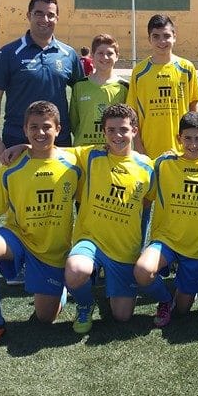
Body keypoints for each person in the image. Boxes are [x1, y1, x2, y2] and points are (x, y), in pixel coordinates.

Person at [0, 101, 81, 350]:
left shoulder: (75, 161)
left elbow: (108, 148)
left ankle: (58, 289)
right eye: (34, 127)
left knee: (44, 319)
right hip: (17, 237)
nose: (40, 133)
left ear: (58, 129)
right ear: (25, 129)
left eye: (46, 127)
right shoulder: (12, 166)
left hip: (52, 251)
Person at [64, 104, 154, 333]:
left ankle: (110, 279)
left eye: (123, 129)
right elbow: (51, 151)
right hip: (91, 239)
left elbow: (146, 203)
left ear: (134, 130)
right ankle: (85, 304)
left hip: (123, 248)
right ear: (103, 132)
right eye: (111, 130)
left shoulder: (147, 166)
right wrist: (23, 145)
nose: (117, 136)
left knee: (122, 316)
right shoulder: (91, 155)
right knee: (75, 271)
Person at [133, 112, 198, 328]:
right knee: (142, 272)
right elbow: (136, 170)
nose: (192, 144)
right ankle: (164, 299)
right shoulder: (163, 163)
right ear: (178, 137)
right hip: (167, 239)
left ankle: (187, 287)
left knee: (182, 311)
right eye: (187, 138)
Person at [0, 0, 83, 159]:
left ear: (57, 18)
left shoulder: (69, 54)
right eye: (39, 13)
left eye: (50, 15)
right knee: (20, 185)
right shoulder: (8, 53)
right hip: (17, 137)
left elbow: (82, 92)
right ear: (29, 15)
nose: (45, 19)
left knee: (61, 185)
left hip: (58, 139)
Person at [126, 14, 198, 158]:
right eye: (156, 36)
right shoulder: (139, 72)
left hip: (181, 149)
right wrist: (139, 146)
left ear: (174, 37)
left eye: (166, 36)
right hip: (148, 149)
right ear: (149, 39)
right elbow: (132, 112)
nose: (162, 41)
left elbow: (193, 107)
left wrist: (193, 142)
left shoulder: (187, 68)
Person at [69, 34, 129, 146]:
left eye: (110, 53)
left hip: (113, 151)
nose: (105, 57)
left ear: (117, 56)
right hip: (84, 151)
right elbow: (73, 123)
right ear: (92, 56)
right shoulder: (80, 86)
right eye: (100, 53)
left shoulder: (124, 87)